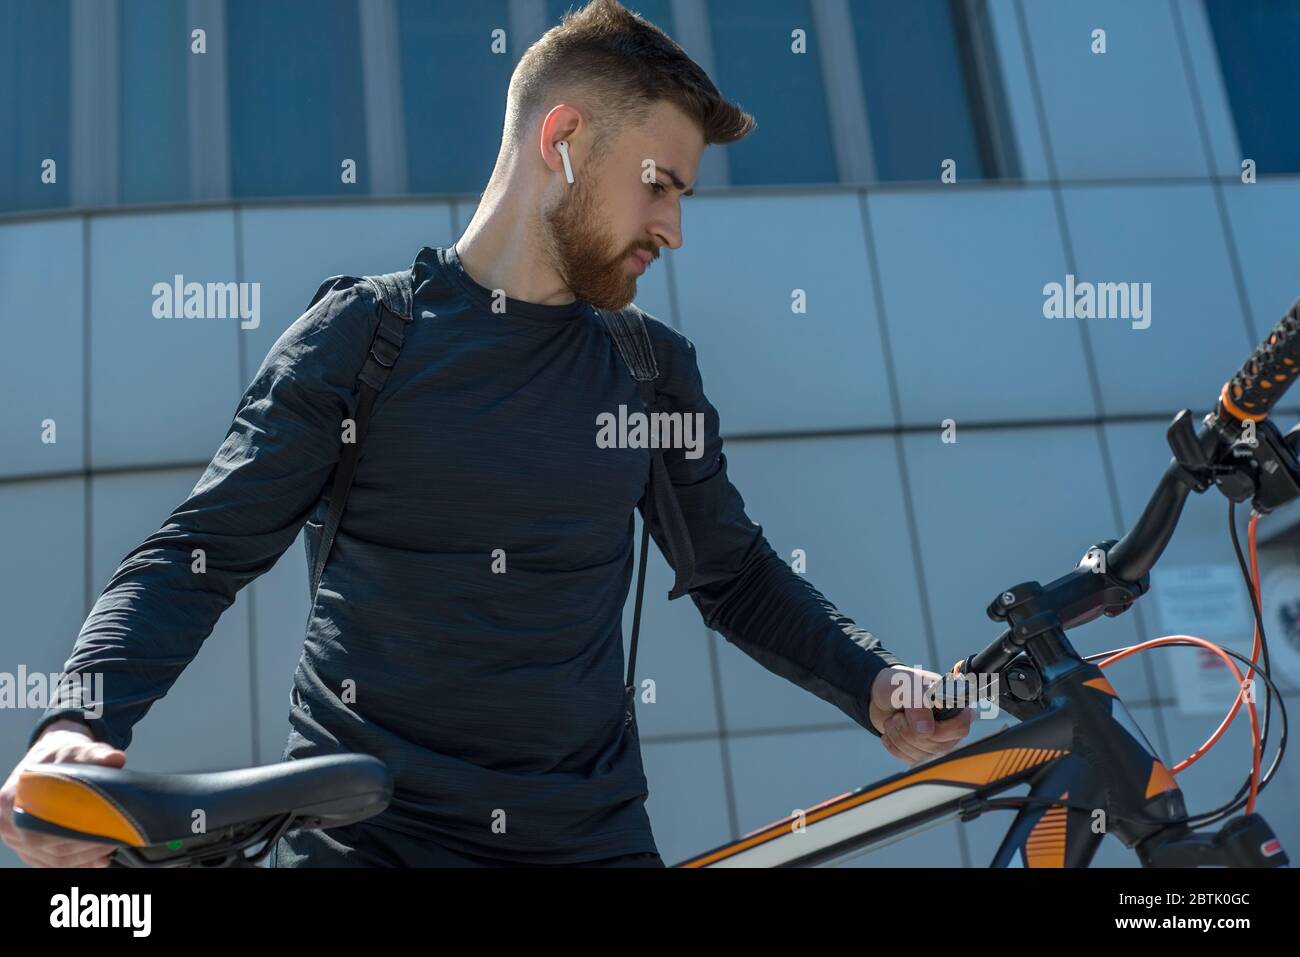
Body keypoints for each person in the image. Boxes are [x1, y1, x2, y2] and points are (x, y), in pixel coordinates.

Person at [0, 0, 973, 870]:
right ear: (562, 140)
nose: (673, 228)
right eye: (659, 186)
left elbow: (734, 572)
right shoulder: (364, 340)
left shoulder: (648, 370)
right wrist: (79, 721)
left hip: (592, 845)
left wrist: (873, 681)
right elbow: (195, 556)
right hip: (367, 843)